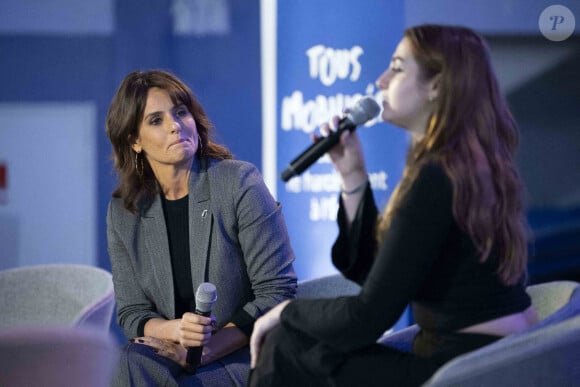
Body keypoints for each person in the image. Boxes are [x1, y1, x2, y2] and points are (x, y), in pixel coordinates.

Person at [249, 24, 539, 387]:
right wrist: (352, 175)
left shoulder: (437, 176)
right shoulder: (462, 163)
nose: (382, 80)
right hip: (488, 355)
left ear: (436, 85)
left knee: (286, 345)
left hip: (467, 368)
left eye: (398, 68)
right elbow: (378, 276)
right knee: (299, 344)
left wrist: (286, 312)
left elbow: (368, 316)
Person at [105, 69, 297, 386]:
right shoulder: (124, 211)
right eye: (156, 120)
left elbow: (277, 291)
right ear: (134, 141)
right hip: (168, 353)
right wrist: (175, 331)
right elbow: (132, 313)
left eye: (181, 112)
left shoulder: (238, 183)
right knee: (131, 362)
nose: (175, 126)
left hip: (241, 351)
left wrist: (200, 352)